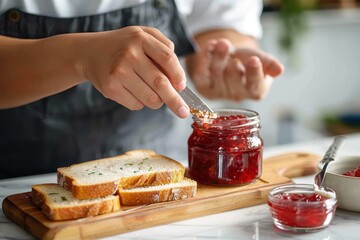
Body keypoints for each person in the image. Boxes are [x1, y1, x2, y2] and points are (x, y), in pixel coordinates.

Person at [0, 0, 284, 179]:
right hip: (16, 178)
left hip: (159, 164)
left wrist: (225, 55)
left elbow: (215, 21)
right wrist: (80, 56)